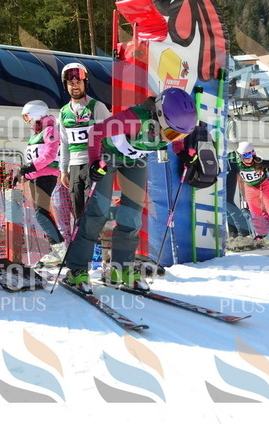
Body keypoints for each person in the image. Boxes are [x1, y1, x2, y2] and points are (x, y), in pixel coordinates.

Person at [63, 87, 197, 293]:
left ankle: (122, 267)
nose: (171, 139)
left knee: (132, 214)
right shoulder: (134, 119)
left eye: (178, 135)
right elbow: (95, 132)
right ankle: (77, 269)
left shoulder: (173, 127)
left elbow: (178, 140)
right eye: (171, 133)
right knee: (98, 212)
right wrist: (95, 162)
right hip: (108, 154)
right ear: (159, 115)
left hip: (135, 160)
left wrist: (182, 152)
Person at [58, 63, 112, 266]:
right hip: (74, 168)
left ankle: (107, 260)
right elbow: (64, 143)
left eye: (78, 81)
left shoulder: (97, 107)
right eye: (70, 82)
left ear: (85, 83)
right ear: (66, 85)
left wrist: (104, 163)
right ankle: (81, 263)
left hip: (94, 165)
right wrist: (63, 170)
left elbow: (110, 136)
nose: (75, 86)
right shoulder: (64, 112)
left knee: (97, 213)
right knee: (79, 215)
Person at [16, 100, 67, 267]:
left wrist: (30, 167)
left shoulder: (50, 130)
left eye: (27, 117)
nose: (27, 121)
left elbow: (50, 155)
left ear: (36, 115)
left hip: (46, 176)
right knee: (41, 214)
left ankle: (60, 250)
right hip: (36, 177)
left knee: (41, 214)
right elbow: (34, 157)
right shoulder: (37, 134)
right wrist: (25, 173)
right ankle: (57, 250)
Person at [225, 115, 255, 250]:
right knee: (223, 203)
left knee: (227, 201)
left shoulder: (228, 121)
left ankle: (245, 233)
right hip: (217, 164)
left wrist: (219, 142)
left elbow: (234, 143)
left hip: (229, 162)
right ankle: (234, 235)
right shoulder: (210, 121)